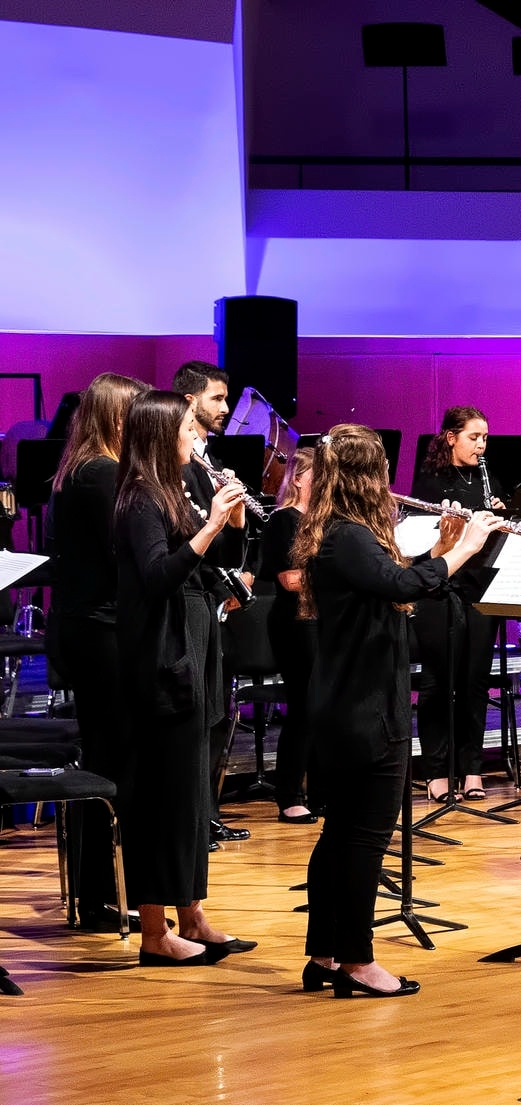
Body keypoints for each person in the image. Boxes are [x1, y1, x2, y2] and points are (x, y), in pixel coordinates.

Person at [295, 424, 498, 998]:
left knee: (340, 837)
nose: (390, 480)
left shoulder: (342, 533)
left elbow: (393, 580)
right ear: (368, 476)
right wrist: (463, 550)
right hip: (363, 708)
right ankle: (358, 961)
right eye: (384, 469)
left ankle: (326, 956)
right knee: (363, 838)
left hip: (352, 702)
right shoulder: (349, 536)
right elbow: (401, 583)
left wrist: (439, 547)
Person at [112, 389, 254, 966]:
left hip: (195, 644)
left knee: (193, 792)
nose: (197, 438)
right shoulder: (138, 497)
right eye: (188, 429)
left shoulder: (173, 489)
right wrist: (211, 522)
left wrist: (233, 518)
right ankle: (153, 930)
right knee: (159, 796)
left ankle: (191, 913)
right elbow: (157, 577)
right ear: (160, 434)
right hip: (161, 653)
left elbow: (217, 557)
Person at [47, 371, 148, 930]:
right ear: (117, 418)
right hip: (103, 632)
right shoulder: (102, 474)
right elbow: (128, 557)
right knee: (114, 761)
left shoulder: (80, 471)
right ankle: (103, 894)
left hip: (93, 628)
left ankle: (102, 891)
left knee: (109, 759)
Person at [172, 359, 253, 843]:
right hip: (186, 600)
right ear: (188, 401)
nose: (226, 408)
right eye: (218, 398)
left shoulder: (205, 456)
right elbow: (189, 536)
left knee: (213, 714)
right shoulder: (176, 460)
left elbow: (221, 542)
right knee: (198, 715)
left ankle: (206, 814)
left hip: (207, 598)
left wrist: (238, 519)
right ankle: (195, 819)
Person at [410, 407, 506, 801]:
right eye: (474, 437)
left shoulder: (489, 480)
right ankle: (436, 771)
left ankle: (471, 769)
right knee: (438, 682)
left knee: (474, 683)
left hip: (479, 589)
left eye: (485, 438)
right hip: (439, 590)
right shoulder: (429, 483)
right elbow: (419, 544)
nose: (481, 446)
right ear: (451, 437)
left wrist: (499, 518)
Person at [258, 446, 318, 823]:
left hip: (325, 620)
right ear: (298, 478)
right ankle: (289, 793)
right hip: (296, 623)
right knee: (304, 708)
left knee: (326, 709)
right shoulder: (282, 521)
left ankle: (324, 790)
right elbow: (290, 580)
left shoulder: (327, 521)